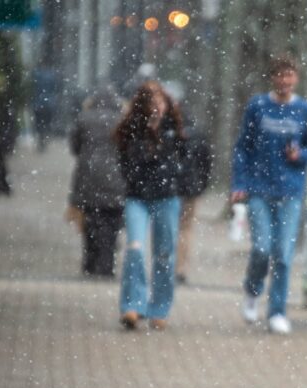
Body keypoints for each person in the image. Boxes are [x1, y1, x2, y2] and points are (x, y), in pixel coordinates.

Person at [231, 55, 307, 334]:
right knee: (262, 248)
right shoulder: (258, 106)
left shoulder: (304, 110)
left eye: (289, 75)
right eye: (280, 75)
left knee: (283, 254)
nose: (284, 81)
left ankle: (277, 312)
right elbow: (243, 147)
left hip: (291, 191)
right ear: (272, 78)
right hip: (259, 189)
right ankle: (253, 289)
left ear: (296, 78)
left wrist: (301, 155)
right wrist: (239, 183)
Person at [115, 81, 187, 331]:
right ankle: (132, 305)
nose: (157, 107)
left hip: (167, 197)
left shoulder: (174, 130)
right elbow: (126, 163)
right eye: (151, 102)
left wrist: (180, 181)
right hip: (137, 198)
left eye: (160, 102)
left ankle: (160, 308)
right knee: (134, 248)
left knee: (164, 254)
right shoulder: (132, 131)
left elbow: (185, 160)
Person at [67, 87, 126, 278]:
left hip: (88, 176)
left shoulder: (84, 118)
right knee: (111, 223)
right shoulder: (122, 119)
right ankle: (106, 264)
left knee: (90, 221)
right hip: (116, 177)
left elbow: (74, 146)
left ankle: (89, 263)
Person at [175, 119, 212, 284]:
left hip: (171, 188)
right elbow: (206, 164)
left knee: (170, 226)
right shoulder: (200, 137)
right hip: (192, 188)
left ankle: (167, 265)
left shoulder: (171, 134)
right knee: (186, 228)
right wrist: (201, 185)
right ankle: (180, 268)